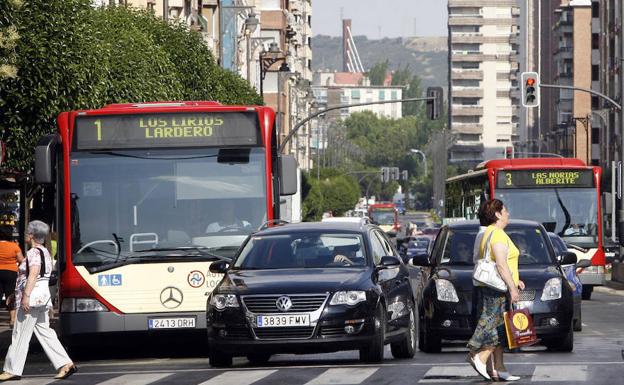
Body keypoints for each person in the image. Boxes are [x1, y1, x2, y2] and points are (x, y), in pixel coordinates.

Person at [0, 221, 77, 381]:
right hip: (41, 298)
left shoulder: (33, 253)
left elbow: (33, 274)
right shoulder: (45, 252)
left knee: (20, 334)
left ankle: (12, 369)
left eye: (28, 233)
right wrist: (16, 293)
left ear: (32, 236)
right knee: (45, 332)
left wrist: (25, 296)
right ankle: (65, 364)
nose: (26, 236)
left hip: (31, 299)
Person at [467, 199, 524, 382]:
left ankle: (497, 368)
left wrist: (516, 279)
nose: (508, 214)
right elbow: (500, 264)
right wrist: (512, 287)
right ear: (498, 214)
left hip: (492, 285)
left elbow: (499, 263)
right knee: (492, 323)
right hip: (497, 288)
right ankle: (478, 355)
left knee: (498, 327)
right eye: (505, 211)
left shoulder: (489, 232)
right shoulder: (498, 234)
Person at [0, 225, 23, 327]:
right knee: (10, 295)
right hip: (11, 272)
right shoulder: (14, 246)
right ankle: (13, 319)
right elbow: (21, 260)